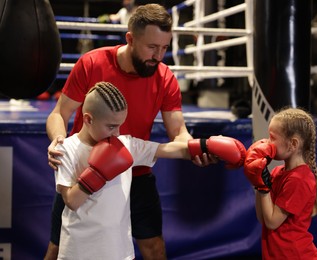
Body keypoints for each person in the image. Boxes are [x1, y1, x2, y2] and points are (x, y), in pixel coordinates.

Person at [45, 4, 216, 260]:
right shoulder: (92, 63)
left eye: (164, 48)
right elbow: (60, 113)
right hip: (86, 168)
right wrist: (59, 142)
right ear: (130, 38)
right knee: (58, 247)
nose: (158, 56)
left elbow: (178, 130)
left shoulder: (164, 77)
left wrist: (195, 149)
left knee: (154, 247)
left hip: (135, 170)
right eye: (151, 47)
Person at [54, 81, 246, 259]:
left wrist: (206, 145)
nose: (117, 133)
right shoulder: (66, 149)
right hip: (77, 251)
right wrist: (97, 173)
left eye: (120, 126)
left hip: (118, 251)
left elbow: (166, 149)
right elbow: (71, 201)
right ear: (88, 119)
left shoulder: (124, 144)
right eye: (111, 126)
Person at [243, 107, 317, 260]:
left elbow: (273, 222)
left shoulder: (299, 179)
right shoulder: (277, 172)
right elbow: (263, 219)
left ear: (293, 144)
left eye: (272, 138)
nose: (268, 142)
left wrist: (263, 187)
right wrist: (258, 181)